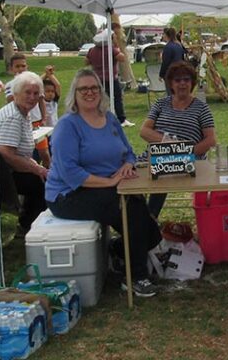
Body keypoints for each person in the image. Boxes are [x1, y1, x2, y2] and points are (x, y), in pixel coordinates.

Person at [46, 69, 161, 298]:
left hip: (112, 186)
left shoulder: (108, 118)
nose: (90, 92)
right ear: (74, 94)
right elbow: (71, 174)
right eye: (83, 89)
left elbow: (128, 152)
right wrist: (110, 181)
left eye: (94, 88)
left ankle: (117, 251)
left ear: (101, 91)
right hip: (69, 195)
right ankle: (135, 277)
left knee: (148, 227)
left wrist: (127, 165)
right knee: (130, 209)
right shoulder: (67, 126)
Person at [140, 60, 216, 218]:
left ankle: (149, 220)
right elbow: (144, 131)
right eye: (177, 80)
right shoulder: (160, 104)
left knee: (163, 175)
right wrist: (169, 144)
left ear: (192, 83)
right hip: (156, 157)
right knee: (130, 186)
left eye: (186, 79)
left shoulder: (201, 108)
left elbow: (210, 140)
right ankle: (143, 222)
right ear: (171, 83)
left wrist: (183, 151)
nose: (182, 84)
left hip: (188, 160)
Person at [0, 71, 48, 235]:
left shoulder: (22, 112)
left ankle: (29, 223)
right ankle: (28, 226)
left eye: (36, 93)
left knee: (39, 178)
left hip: (2, 168)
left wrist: (33, 165)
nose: (32, 97)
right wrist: (37, 169)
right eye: (27, 93)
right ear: (16, 94)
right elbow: (5, 153)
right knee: (39, 184)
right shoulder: (14, 117)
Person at [5, 53, 51, 168]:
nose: (21, 69)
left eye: (23, 66)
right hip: (22, 123)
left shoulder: (34, 83)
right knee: (26, 154)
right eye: (17, 66)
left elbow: (41, 101)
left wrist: (44, 118)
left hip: (36, 122)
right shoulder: (10, 85)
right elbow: (10, 101)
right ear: (11, 69)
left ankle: (48, 175)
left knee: (44, 153)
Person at [86, 29, 128, 124]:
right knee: (116, 97)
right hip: (111, 78)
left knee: (99, 98)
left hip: (97, 78)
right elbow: (122, 58)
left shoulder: (92, 50)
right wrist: (117, 47)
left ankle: (99, 116)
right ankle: (121, 119)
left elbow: (86, 62)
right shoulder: (111, 49)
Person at [159, 27, 186, 95]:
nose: (163, 36)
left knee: (171, 94)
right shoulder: (179, 45)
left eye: (163, 34)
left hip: (171, 73)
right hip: (179, 71)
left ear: (166, 35)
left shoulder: (168, 47)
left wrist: (161, 74)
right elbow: (183, 58)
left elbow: (165, 62)